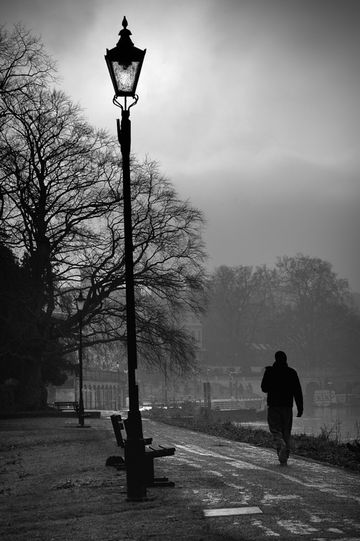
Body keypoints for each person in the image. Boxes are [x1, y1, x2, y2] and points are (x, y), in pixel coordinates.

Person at [261, 350, 303, 465]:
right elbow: (297, 392)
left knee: (275, 430)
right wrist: (300, 408)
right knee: (286, 431)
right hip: (287, 407)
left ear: (275, 359)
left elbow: (264, 388)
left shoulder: (270, 371)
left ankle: (281, 446)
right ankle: (284, 458)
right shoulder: (292, 373)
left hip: (274, 406)